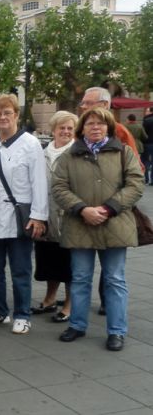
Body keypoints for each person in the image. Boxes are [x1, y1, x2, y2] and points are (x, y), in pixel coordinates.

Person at [52, 107, 144, 351]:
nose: (95, 127)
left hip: (114, 224)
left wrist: (109, 207)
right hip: (80, 224)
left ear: (109, 127)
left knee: (115, 279)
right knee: (80, 278)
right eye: (90, 123)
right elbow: (59, 188)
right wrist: (82, 209)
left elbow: (136, 184)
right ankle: (77, 325)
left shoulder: (123, 153)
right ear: (82, 128)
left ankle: (116, 331)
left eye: (101, 124)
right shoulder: (68, 157)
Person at [0, 94, 48, 335]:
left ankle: (22, 313)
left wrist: (38, 216)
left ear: (17, 115)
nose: (3, 117)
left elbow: (39, 182)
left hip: (19, 217)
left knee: (20, 269)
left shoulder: (30, 144)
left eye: (8, 112)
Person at [32, 111, 78, 323]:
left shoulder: (77, 153)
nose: (66, 131)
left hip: (69, 217)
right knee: (49, 259)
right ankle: (50, 298)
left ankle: (69, 304)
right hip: (47, 215)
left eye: (70, 128)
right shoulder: (43, 151)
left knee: (69, 263)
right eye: (62, 128)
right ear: (53, 130)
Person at [143, 107, 153, 185]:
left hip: (147, 143)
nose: (146, 112)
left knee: (146, 161)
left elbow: (143, 134)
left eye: (147, 110)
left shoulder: (146, 121)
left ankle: (146, 179)